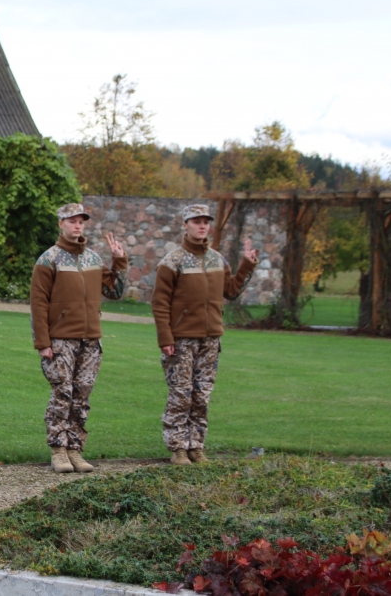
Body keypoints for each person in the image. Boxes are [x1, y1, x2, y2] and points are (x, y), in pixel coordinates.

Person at [151, 204, 258, 465]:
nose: (202, 226)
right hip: (181, 340)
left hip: (211, 340)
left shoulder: (217, 260)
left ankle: (196, 446)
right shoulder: (172, 261)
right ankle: (177, 448)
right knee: (181, 394)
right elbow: (160, 302)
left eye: (205, 221)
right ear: (185, 225)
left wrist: (246, 265)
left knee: (202, 395)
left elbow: (230, 291)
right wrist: (165, 337)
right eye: (196, 221)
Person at [30, 202, 127, 474]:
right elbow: (38, 303)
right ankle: (58, 450)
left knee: (82, 395)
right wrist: (43, 342)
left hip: (90, 340)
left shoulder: (93, 259)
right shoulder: (48, 259)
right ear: (61, 223)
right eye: (72, 220)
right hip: (61, 340)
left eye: (81, 221)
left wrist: (119, 261)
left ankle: (75, 448)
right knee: (62, 393)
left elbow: (115, 292)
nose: (77, 225)